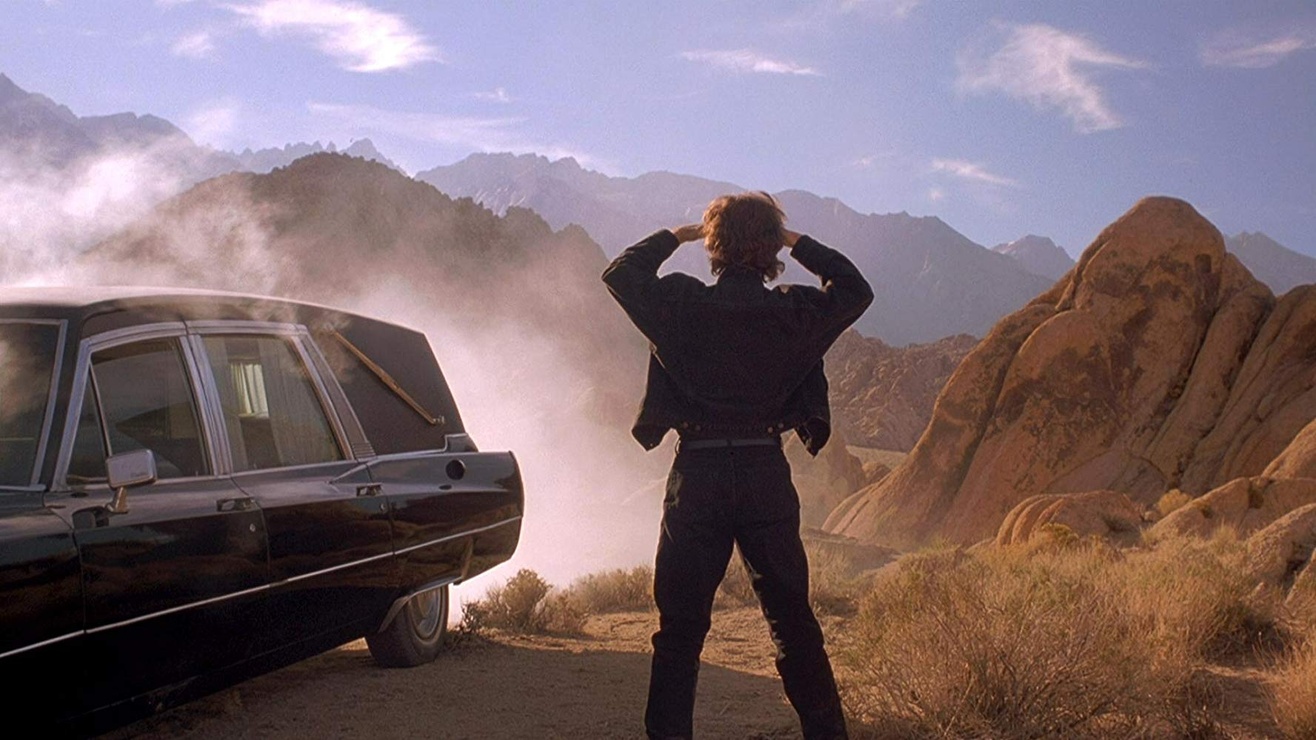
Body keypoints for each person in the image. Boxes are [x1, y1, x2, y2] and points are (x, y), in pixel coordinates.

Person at [601, 192, 873, 740]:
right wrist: (795, 242)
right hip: (763, 473)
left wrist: (677, 235)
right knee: (793, 625)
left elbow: (621, 274)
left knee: (679, 633)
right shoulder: (794, 312)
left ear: (714, 246)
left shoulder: (680, 304)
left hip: (697, 476)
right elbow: (854, 289)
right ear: (770, 249)